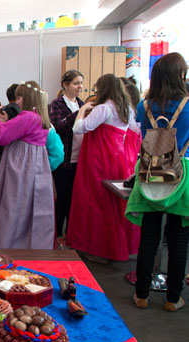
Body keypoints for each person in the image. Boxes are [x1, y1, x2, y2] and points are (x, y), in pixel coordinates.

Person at [127, 52, 189, 311]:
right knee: (178, 239)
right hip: (181, 173)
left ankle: (142, 295)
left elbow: (143, 131)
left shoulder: (144, 105)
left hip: (151, 170)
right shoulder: (188, 105)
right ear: (180, 75)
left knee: (149, 237)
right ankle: (173, 299)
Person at [66, 74, 141, 262]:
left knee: (98, 204)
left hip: (99, 160)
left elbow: (79, 128)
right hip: (119, 159)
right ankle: (120, 247)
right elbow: (135, 131)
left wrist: (82, 110)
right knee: (116, 204)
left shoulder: (103, 108)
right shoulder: (127, 109)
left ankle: (101, 250)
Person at [0, 81, 55, 249]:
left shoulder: (28, 116)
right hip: (35, 165)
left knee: (13, 206)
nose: (17, 101)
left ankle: (9, 244)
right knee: (29, 208)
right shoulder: (40, 116)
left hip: (22, 166)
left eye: (19, 97)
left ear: (27, 98)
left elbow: (0, 136)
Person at [48, 70, 85, 249]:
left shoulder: (81, 103)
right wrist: (78, 114)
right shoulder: (56, 104)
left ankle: (71, 235)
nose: (80, 87)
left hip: (79, 157)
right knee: (62, 198)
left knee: (74, 199)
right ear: (65, 85)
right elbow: (57, 127)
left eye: (81, 83)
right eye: (76, 83)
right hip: (63, 159)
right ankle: (57, 235)